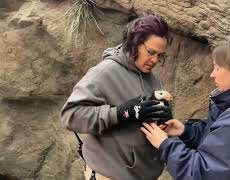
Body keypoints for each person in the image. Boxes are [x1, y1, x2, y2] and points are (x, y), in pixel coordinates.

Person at [141, 38, 230, 180]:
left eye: (217, 68)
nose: (212, 74)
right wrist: (186, 132)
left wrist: (165, 145)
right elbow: (216, 138)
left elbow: (203, 173)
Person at [60, 14, 172, 180]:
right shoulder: (105, 72)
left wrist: (163, 118)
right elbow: (70, 116)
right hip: (110, 175)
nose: (155, 60)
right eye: (150, 52)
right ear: (134, 43)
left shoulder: (151, 78)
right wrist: (120, 113)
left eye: (160, 55)